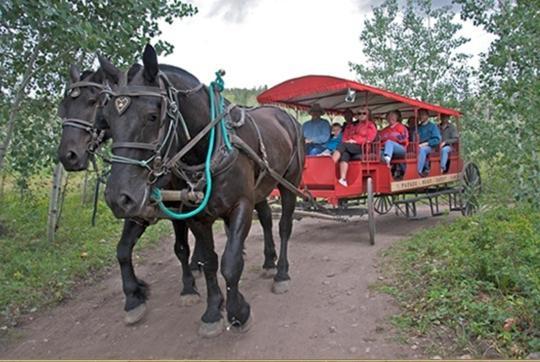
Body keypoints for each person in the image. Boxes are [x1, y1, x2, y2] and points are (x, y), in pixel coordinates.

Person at [332, 108, 377, 187]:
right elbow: (346, 136)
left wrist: (355, 141)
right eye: (359, 113)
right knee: (344, 154)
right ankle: (343, 179)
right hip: (351, 146)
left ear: (368, 115)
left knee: (342, 146)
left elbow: (369, 139)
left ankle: (330, 165)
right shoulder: (354, 125)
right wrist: (348, 140)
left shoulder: (370, 125)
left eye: (364, 113)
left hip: (363, 147)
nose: (361, 115)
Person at [415, 109, 441, 176]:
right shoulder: (418, 127)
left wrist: (426, 143)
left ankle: (418, 171)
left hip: (430, 147)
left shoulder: (433, 126)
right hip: (418, 146)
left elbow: (437, 139)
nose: (421, 116)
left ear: (427, 116)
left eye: (423, 114)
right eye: (420, 115)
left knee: (422, 150)